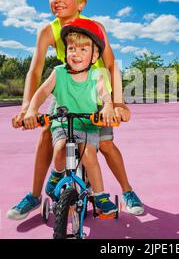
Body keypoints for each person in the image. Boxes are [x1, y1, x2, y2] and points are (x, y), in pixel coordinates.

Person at [7, 0, 143, 220]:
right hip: (68, 88)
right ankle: (35, 195)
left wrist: (118, 103)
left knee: (106, 144)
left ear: (81, 2)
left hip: (97, 91)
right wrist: (28, 107)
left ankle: (127, 191)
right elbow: (35, 69)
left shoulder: (95, 27)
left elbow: (112, 65)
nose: (57, 0)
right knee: (47, 132)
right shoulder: (48, 31)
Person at [22, 19, 117, 214]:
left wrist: (108, 106)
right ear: (65, 52)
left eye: (83, 50)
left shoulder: (95, 75)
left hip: (88, 124)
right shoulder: (58, 73)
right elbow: (41, 92)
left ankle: (99, 195)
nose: (76, 54)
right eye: (72, 48)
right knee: (60, 148)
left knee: (89, 154)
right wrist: (32, 109)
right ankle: (56, 175)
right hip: (63, 123)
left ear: (94, 55)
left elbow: (103, 93)